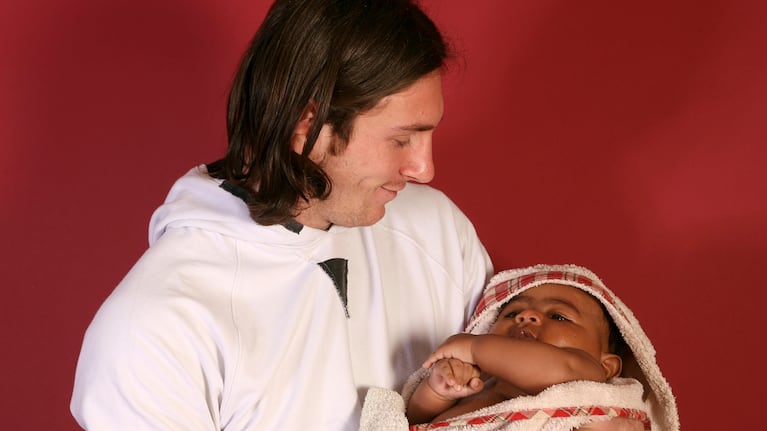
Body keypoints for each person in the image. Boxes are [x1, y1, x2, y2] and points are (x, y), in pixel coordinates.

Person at [70, 1, 492, 430]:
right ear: (305, 124)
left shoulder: (438, 230)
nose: (424, 169)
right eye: (402, 139)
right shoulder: (154, 332)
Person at [359, 264, 679, 431]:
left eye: (558, 316)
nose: (527, 316)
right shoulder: (481, 386)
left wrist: (473, 348)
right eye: (512, 313)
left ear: (608, 365)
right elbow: (416, 417)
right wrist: (440, 391)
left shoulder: (586, 378)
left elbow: (561, 370)